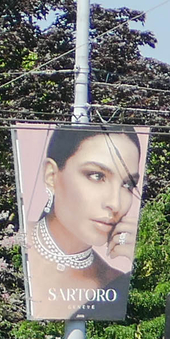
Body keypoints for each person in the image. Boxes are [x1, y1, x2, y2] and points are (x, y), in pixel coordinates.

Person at [23, 126, 141, 321]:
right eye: (97, 176)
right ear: (51, 175)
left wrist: (140, 263)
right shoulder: (9, 249)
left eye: (128, 184)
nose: (115, 203)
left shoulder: (113, 281)